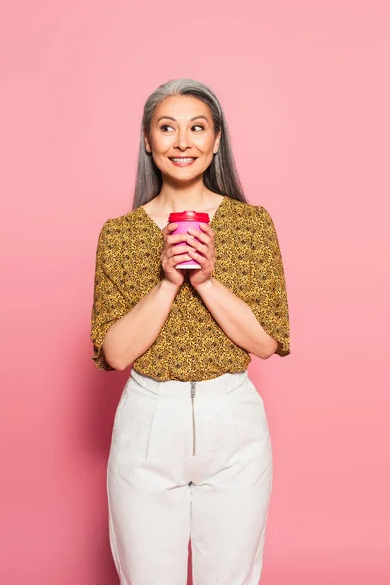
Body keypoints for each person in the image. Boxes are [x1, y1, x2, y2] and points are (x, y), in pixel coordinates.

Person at [90, 78, 290, 585]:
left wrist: (205, 281)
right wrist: (165, 283)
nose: (183, 142)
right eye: (167, 128)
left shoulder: (252, 225)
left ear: (216, 140)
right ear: (147, 139)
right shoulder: (120, 233)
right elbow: (113, 354)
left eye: (197, 128)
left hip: (233, 419)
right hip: (150, 418)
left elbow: (266, 341)